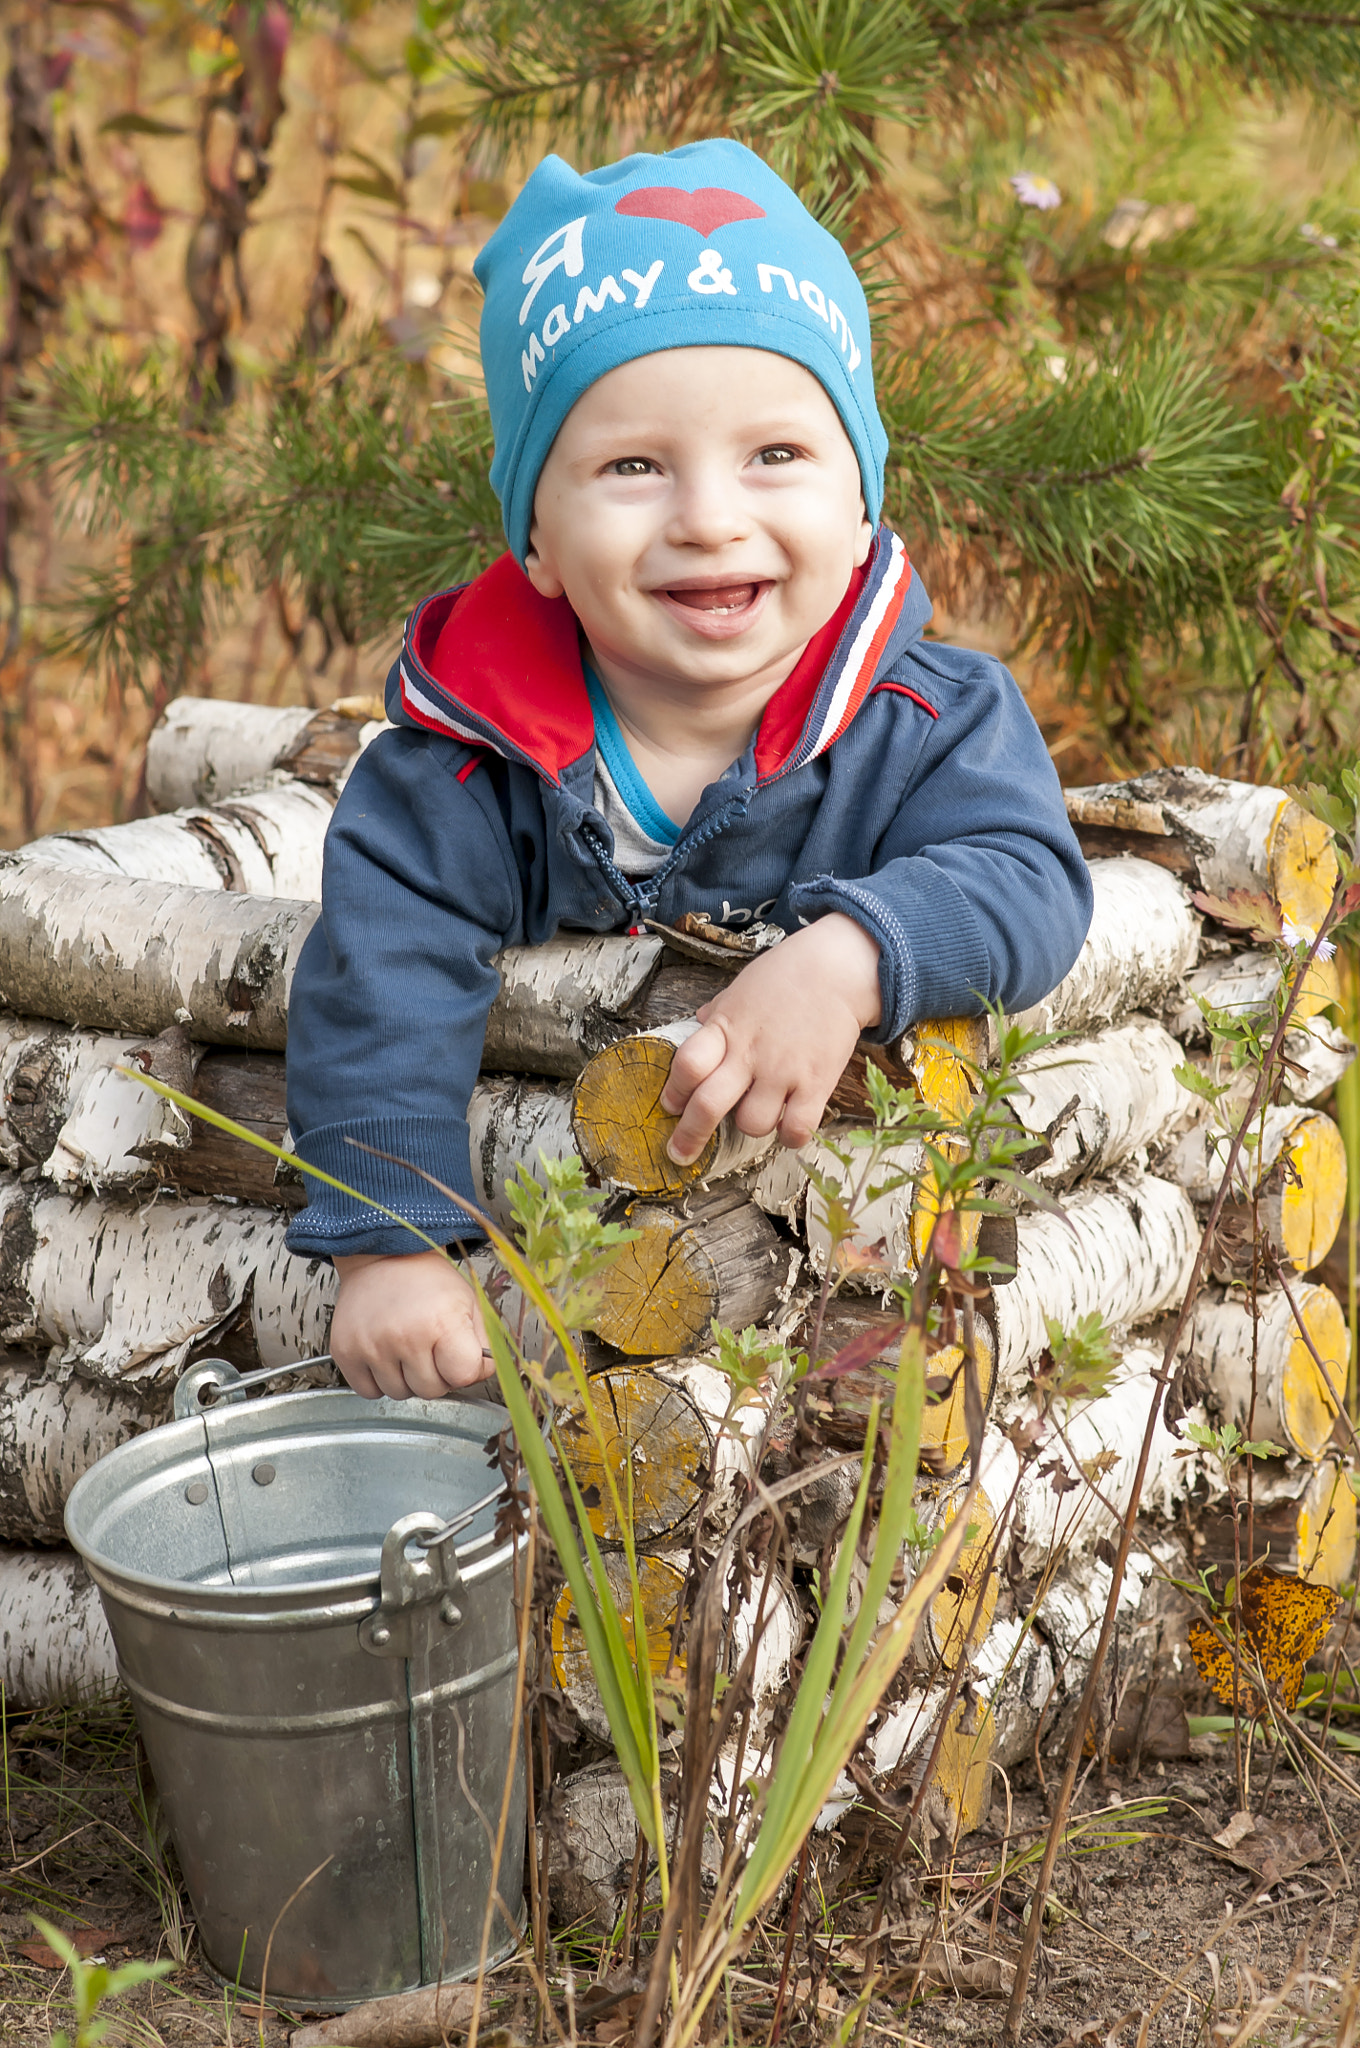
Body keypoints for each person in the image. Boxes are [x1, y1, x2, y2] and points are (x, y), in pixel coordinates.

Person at [284, 138, 1093, 1401]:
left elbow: (1028, 874)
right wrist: (389, 1243)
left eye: (776, 455)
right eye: (632, 466)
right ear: (538, 538)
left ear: (861, 498)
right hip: (571, 1320)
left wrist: (847, 955)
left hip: (830, 1292)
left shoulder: (926, 719)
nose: (709, 516)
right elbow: (377, 971)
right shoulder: (463, 768)